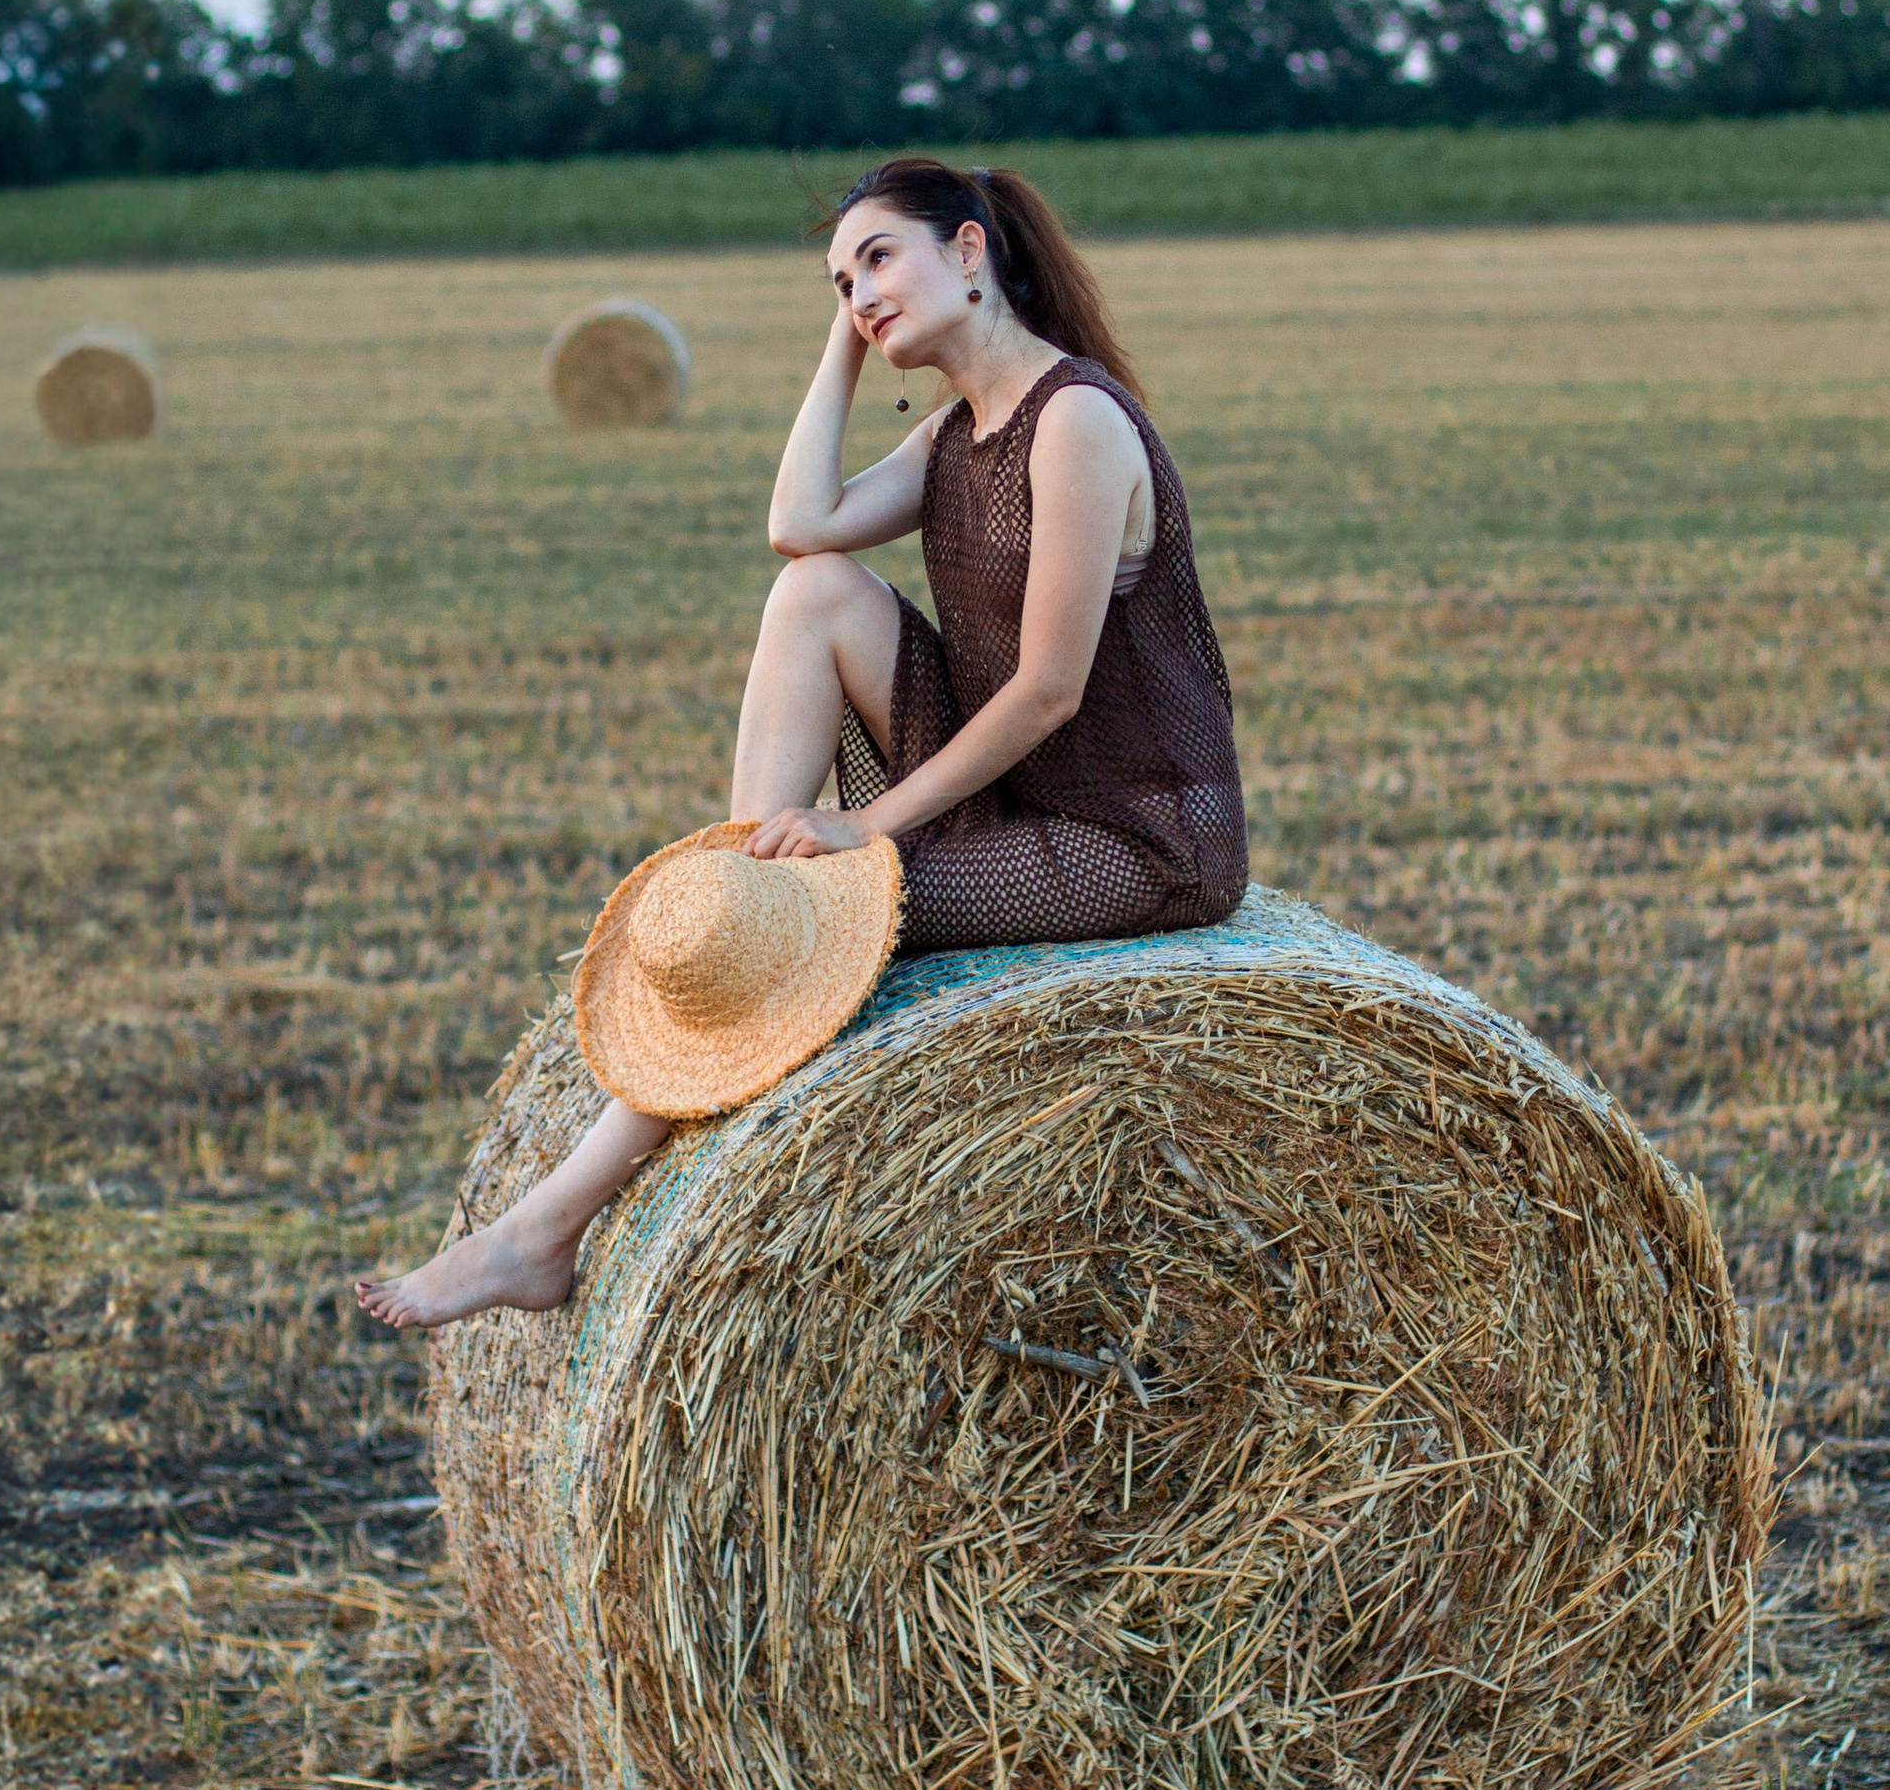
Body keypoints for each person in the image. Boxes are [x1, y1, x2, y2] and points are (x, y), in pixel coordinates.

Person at [355, 156, 1247, 1329]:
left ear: (970, 251)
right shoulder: (953, 439)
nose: (861, 292)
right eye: (839, 279)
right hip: (1020, 803)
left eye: (880, 258)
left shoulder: (1073, 421)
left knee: (804, 925)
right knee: (818, 592)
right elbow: (798, 527)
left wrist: (865, 824)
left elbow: (1045, 693)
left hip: (1131, 835)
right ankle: (735, 892)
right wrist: (846, 338)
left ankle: (541, 1229)